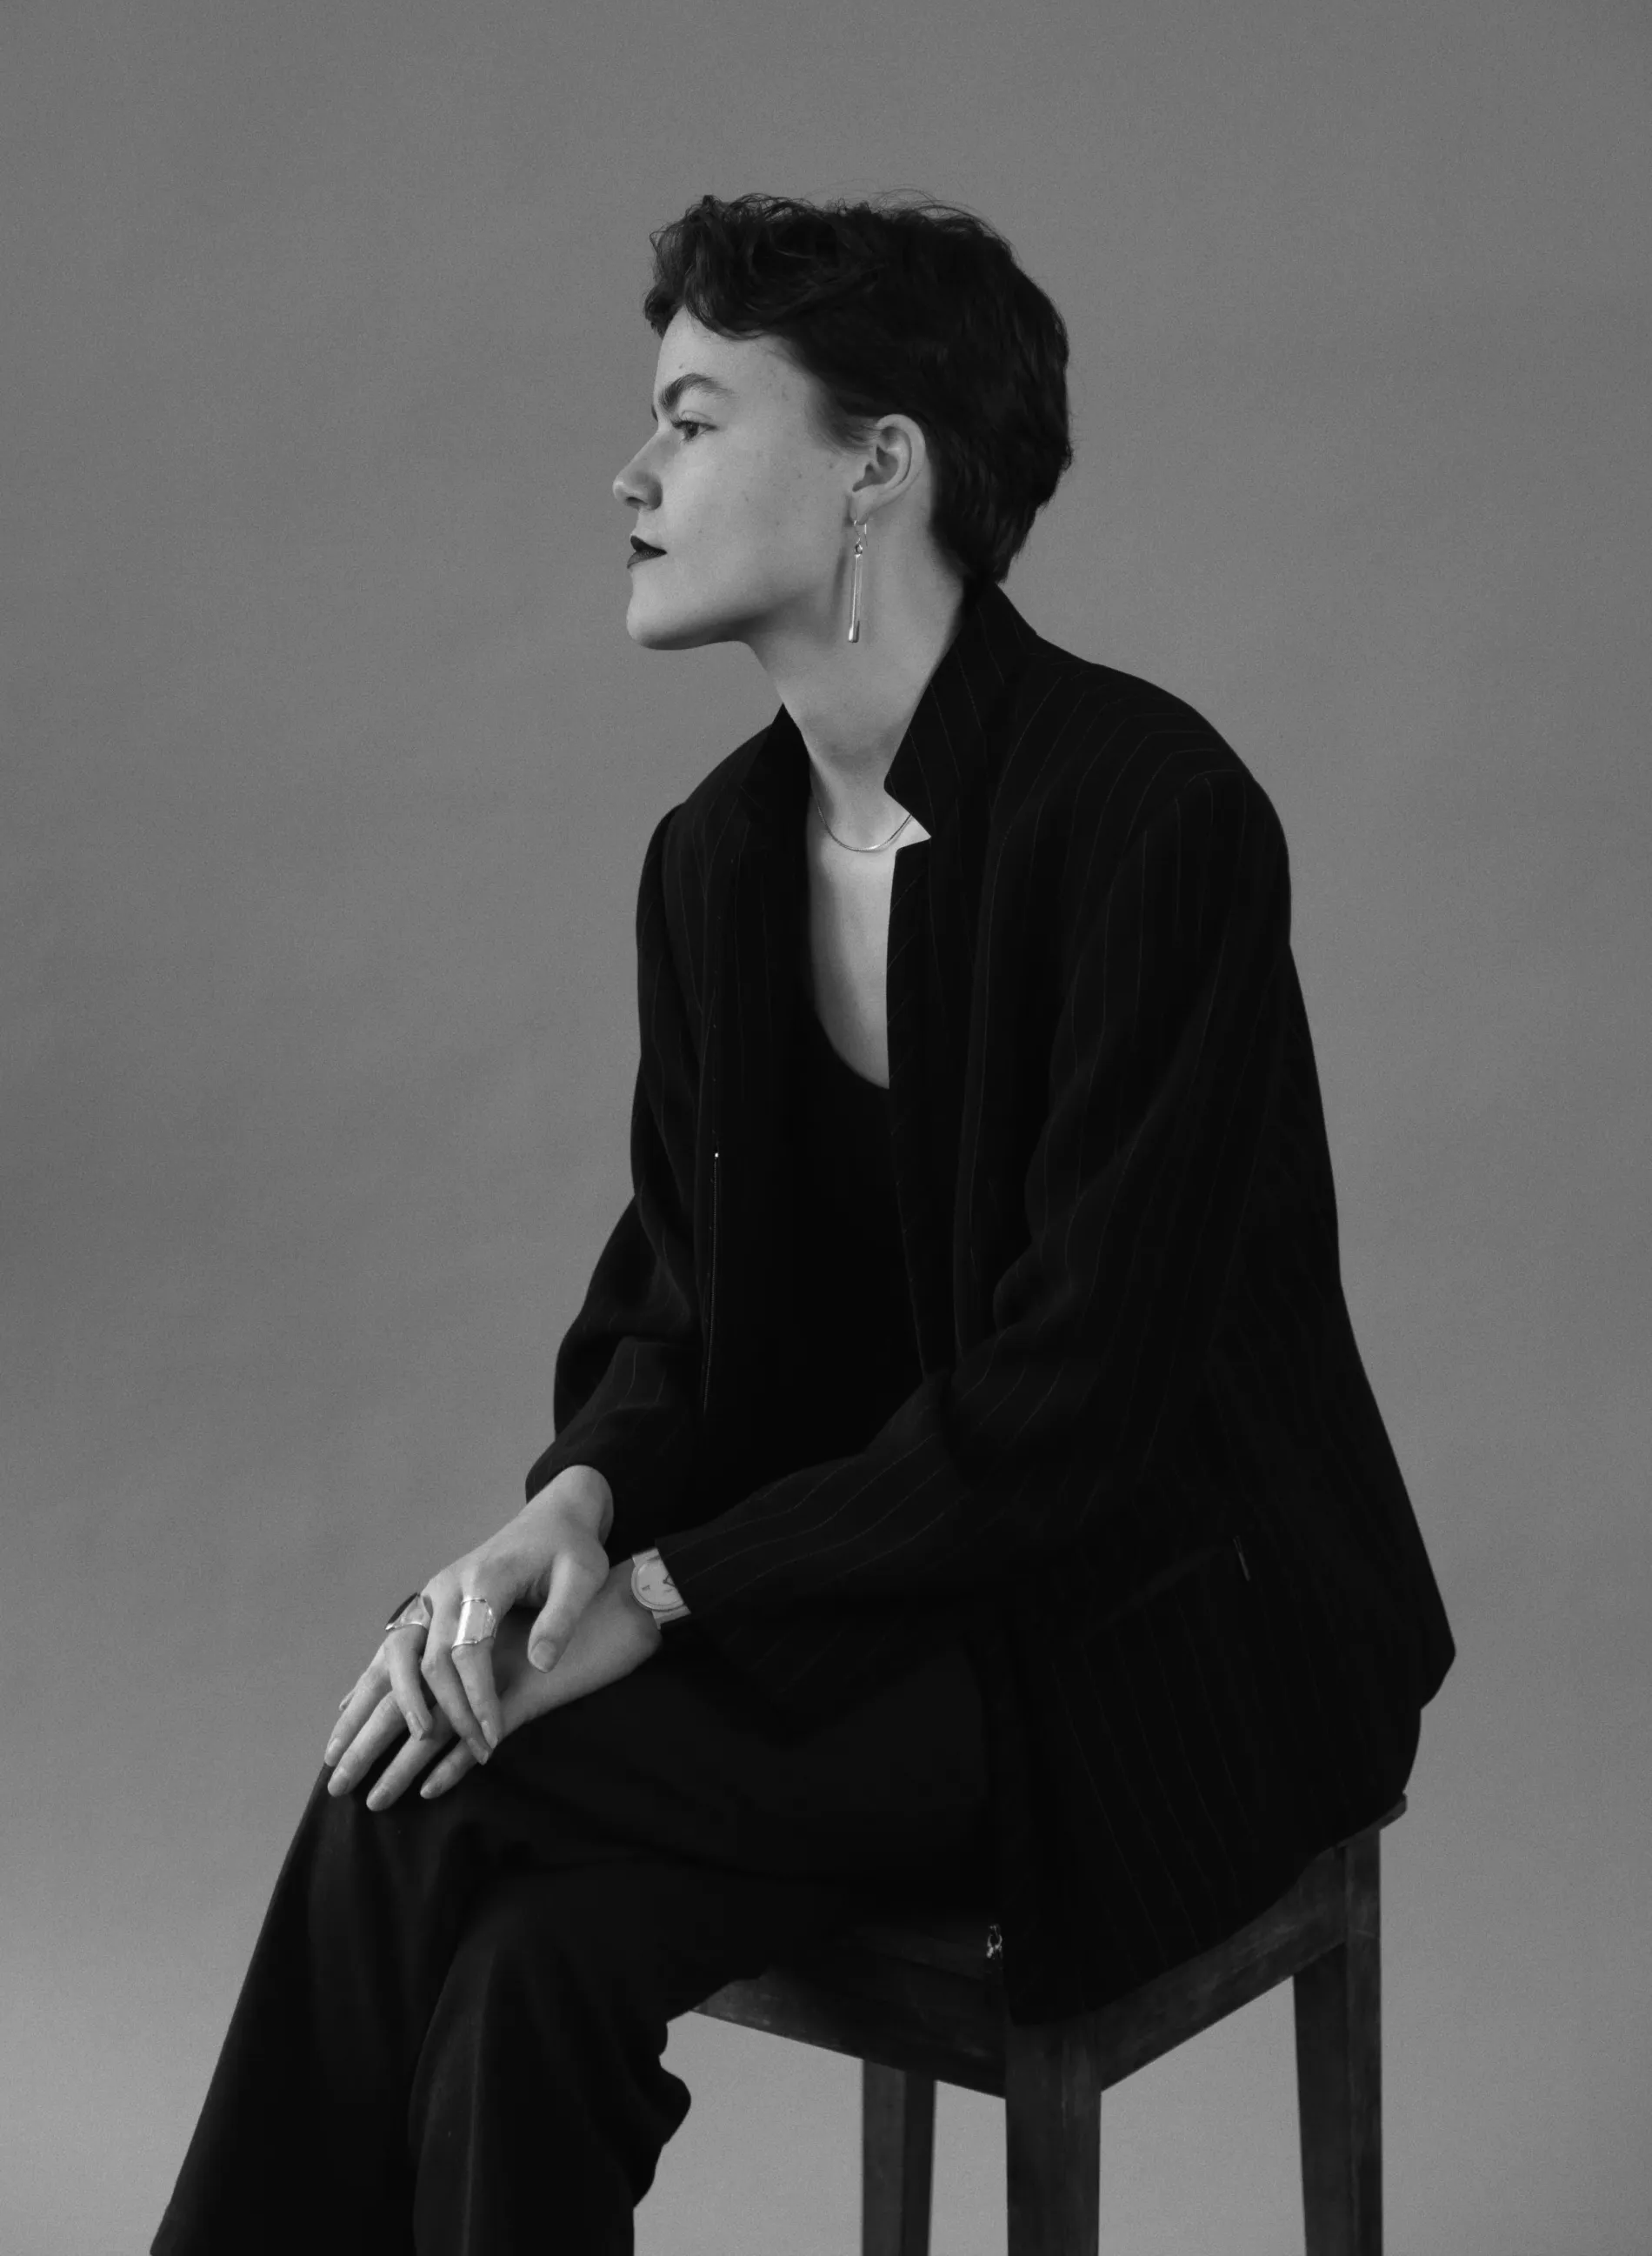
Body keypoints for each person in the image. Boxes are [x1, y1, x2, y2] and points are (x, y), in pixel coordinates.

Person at [152, 193, 1455, 2256]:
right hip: (858, 1606)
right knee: (525, 1960)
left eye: (689, 419)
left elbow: (1073, 1406)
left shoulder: (1152, 817)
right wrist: (571, 1508)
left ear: (877, 466)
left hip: (1150, 1633)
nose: (629, 473)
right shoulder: (719, 857)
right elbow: (675, 1315)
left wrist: (660, 1596)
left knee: (422, 1781)